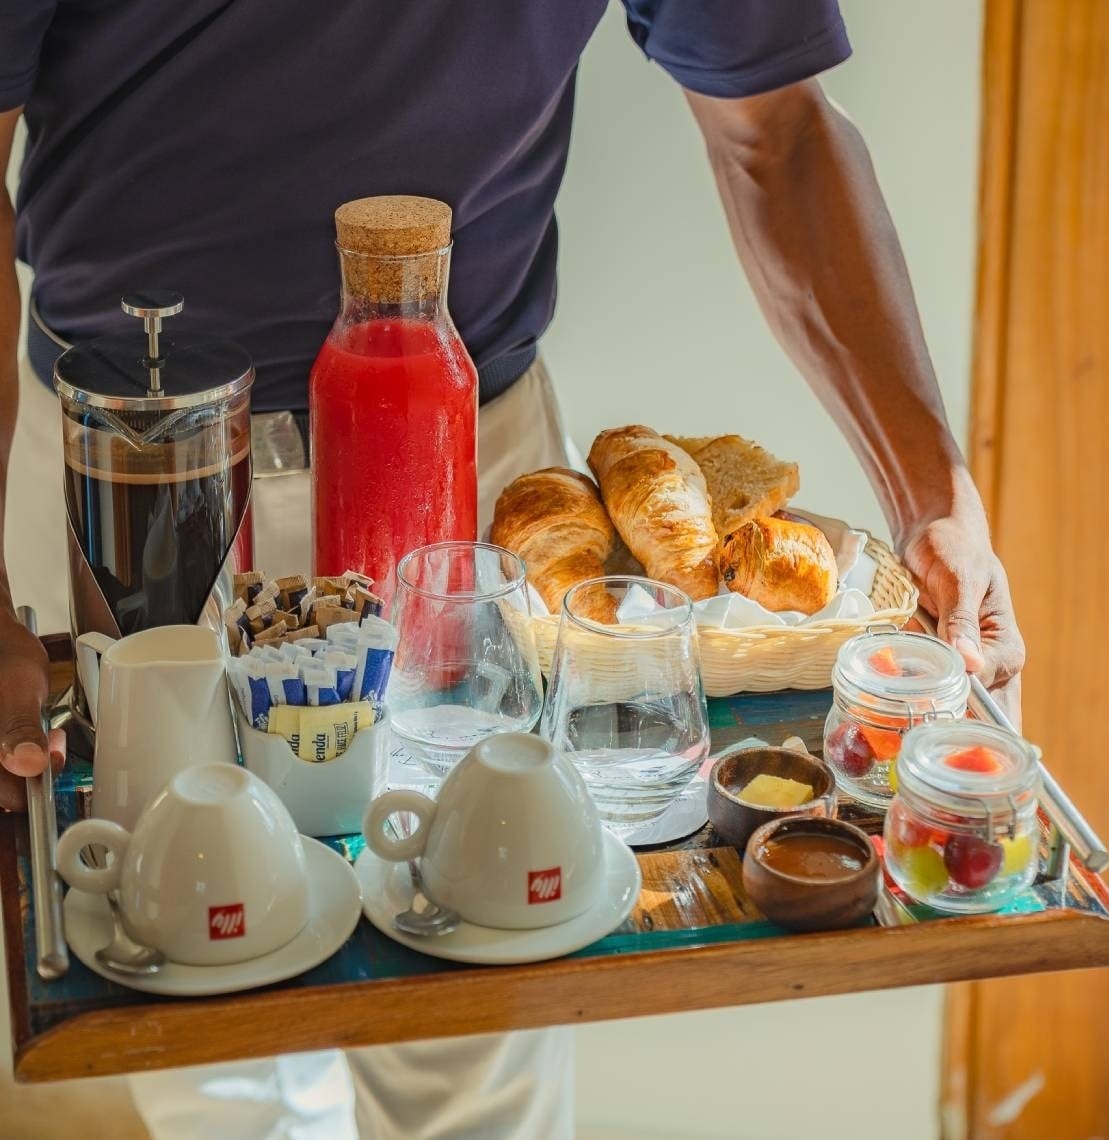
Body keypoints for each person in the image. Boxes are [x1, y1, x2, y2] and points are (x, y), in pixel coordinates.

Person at [0, 2, 1026, 1137]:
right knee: (197, 991)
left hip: (466, 487)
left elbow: (776, 132)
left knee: (484, 986)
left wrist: (936, 498)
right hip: (131, 471)